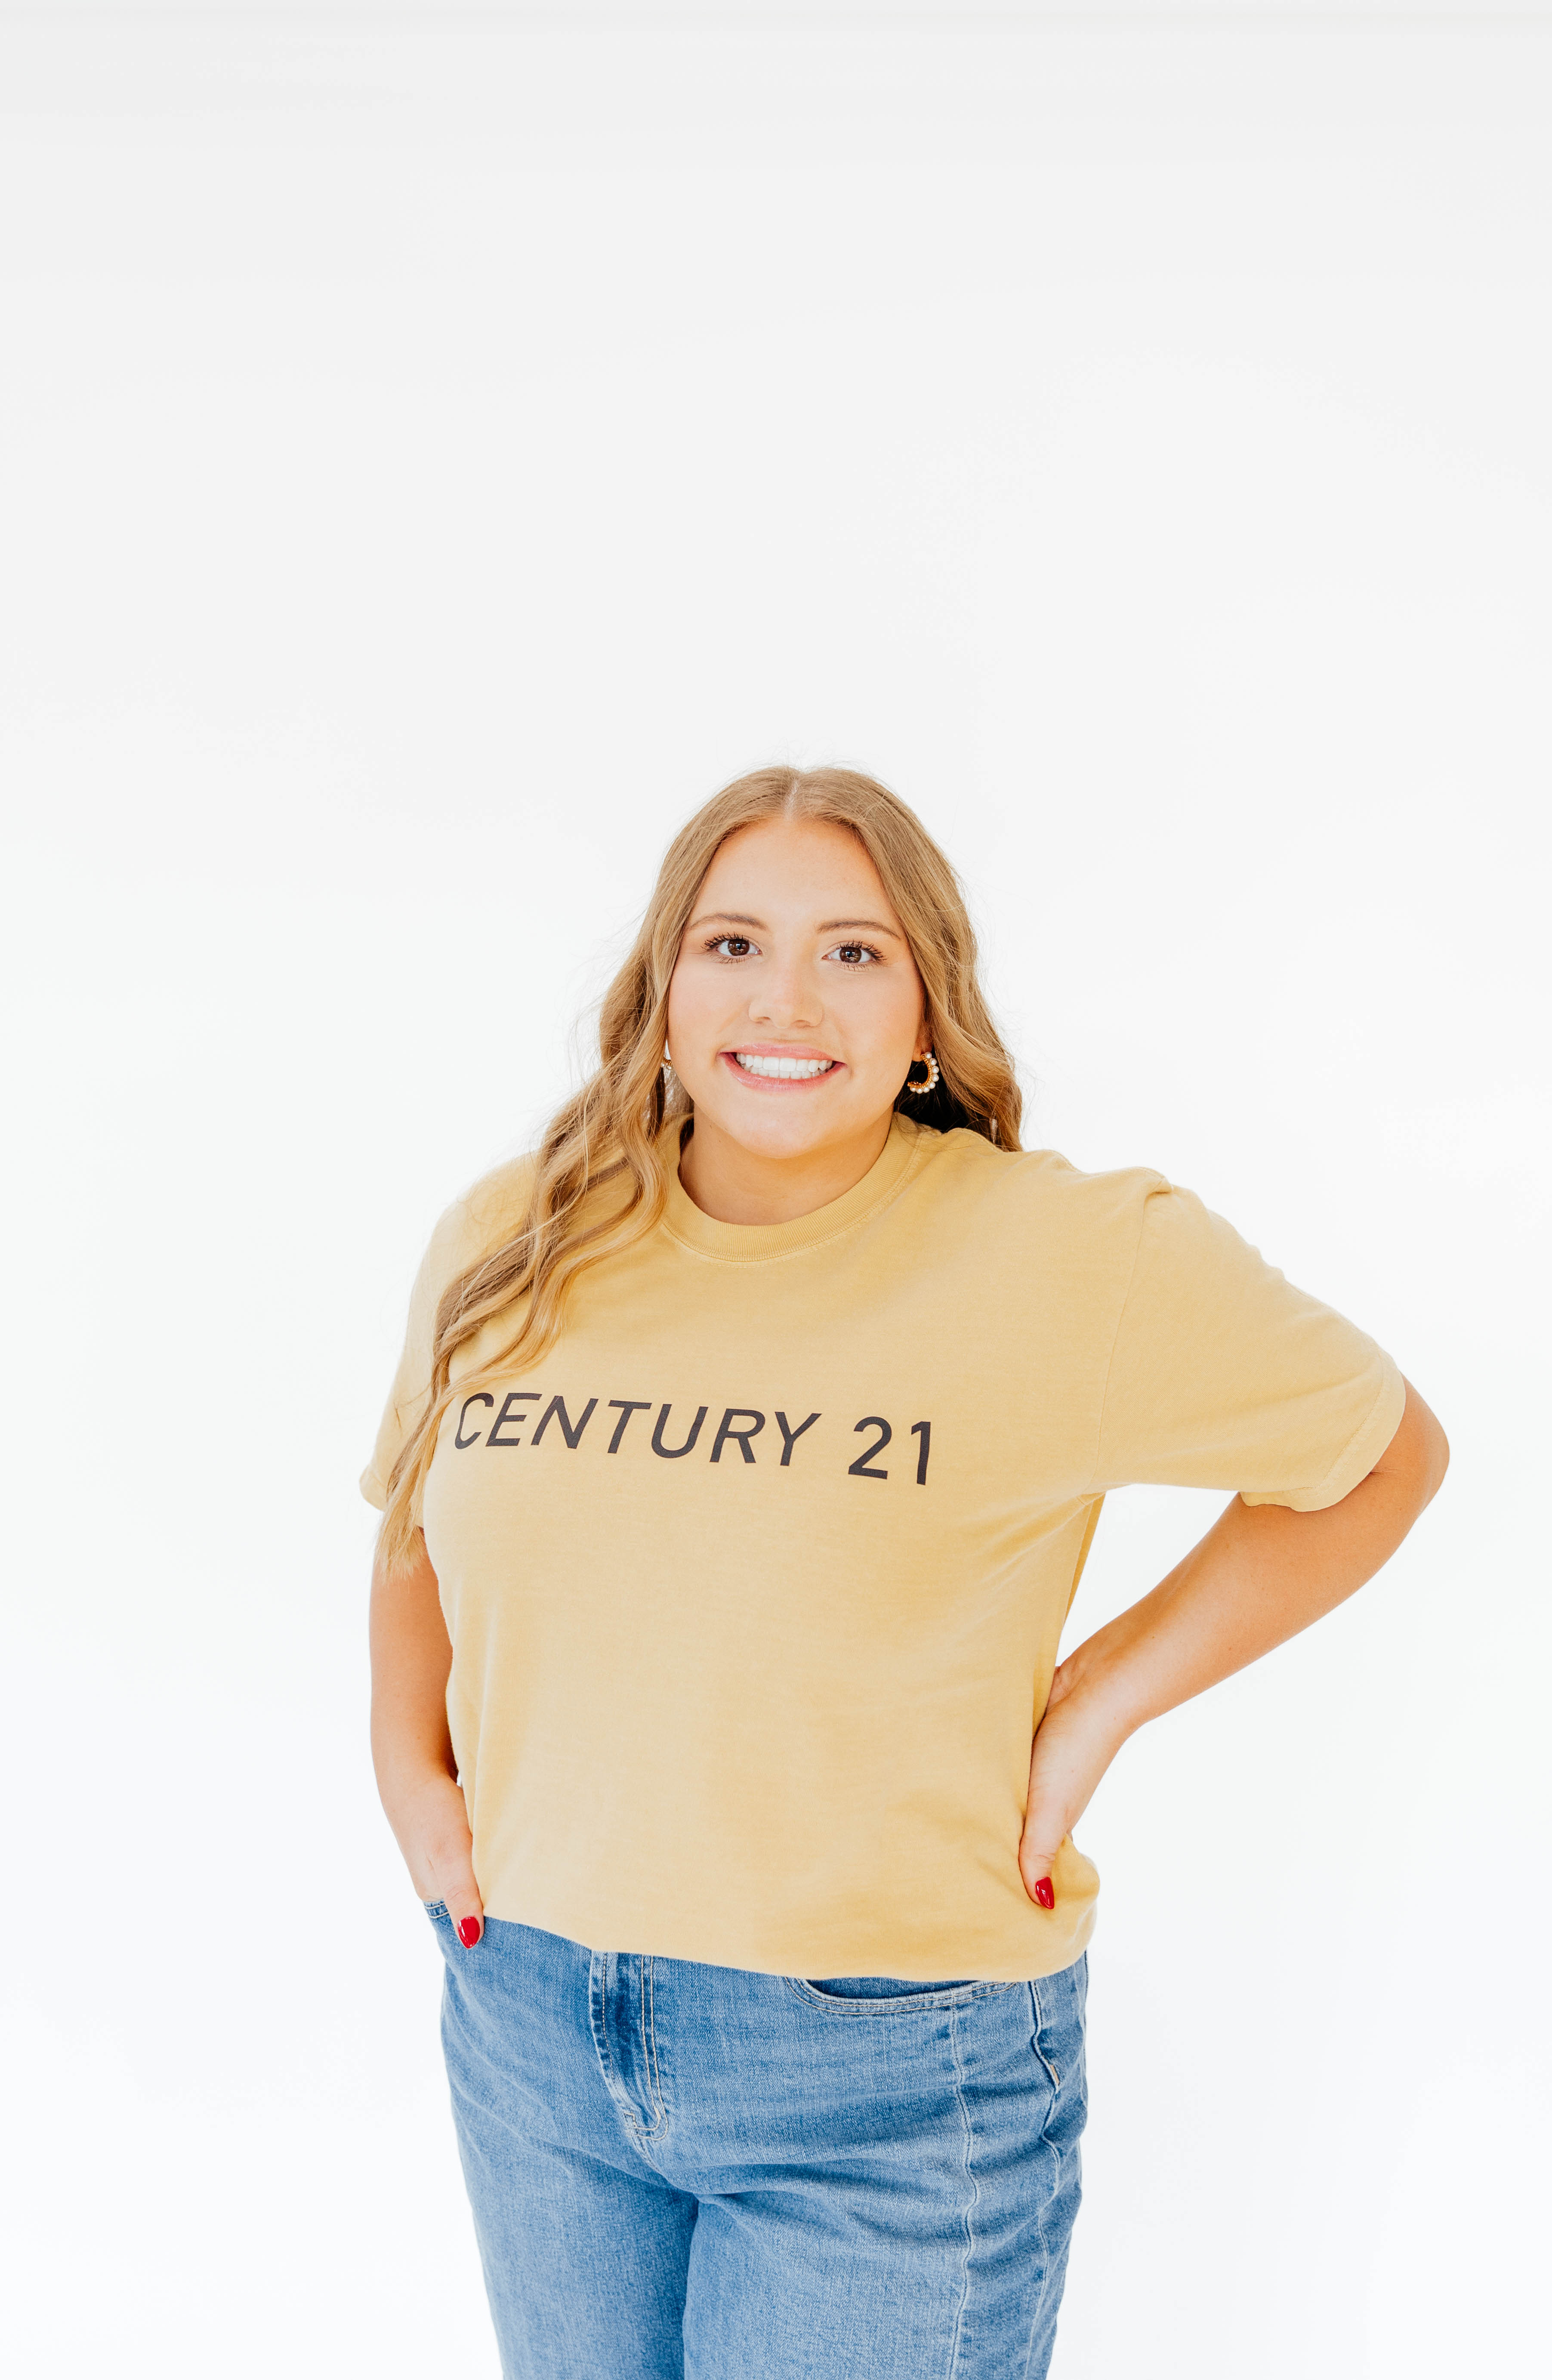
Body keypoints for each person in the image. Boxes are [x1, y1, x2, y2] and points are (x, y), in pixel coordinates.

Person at [363, 765, 1447, 2380]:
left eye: (854, 952)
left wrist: (1099, 1699)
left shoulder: (1071, 1254)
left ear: (928, 1004)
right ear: (663, 987)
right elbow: (414, 1521)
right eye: (733, 942)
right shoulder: (516, 1233)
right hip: (531, 2028)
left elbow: (1383, 1453)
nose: (784, 1000)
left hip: (885, 2063)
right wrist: (408, 1767)